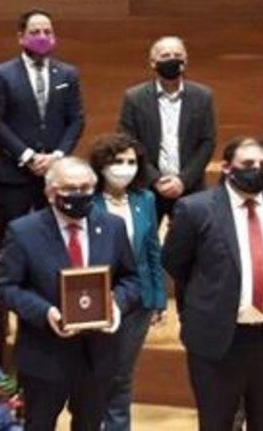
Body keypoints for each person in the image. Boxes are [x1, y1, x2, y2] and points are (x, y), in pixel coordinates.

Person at [161, 138, 263, 431]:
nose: (258, 170)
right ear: (227, 168)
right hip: (220, 339)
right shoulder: (195, 208)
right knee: (217, 423)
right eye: (248, 165)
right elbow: (175, 262)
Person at [0, 157, 141, 431]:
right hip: (45, 353)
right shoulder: (24, 231)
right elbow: (5, 287)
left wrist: (116, 305)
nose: (80, 195)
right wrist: (45, 312)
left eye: (86, 188)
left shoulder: (112, 226)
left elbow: (131, 280)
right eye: (71, 189)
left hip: (97, 354)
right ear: (51, 193)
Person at [87, 133, 167, 431]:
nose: (125, 167)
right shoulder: (89, 200)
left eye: (131, 161)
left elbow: (151, 250)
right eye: (117, 161)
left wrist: (159, 299)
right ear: (101, 166)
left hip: (139, 301)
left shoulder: (144, 199)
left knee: (122, 375)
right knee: (96, 373)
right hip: (97, 299)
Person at [0, 9, 86, 239]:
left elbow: (76, 120)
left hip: (56, 174)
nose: (42, 36)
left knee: (55, 237)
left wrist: (57, 156)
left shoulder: (67, 74)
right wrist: (29, 156)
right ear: (21, 37)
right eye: (35, 31)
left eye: (47, 32)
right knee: (11, 239)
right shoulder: (2, 74)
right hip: (15, 173)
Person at [118, 36, 217, 223]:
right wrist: (156, 179)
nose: (172, 58)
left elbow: (207, 142)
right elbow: (128, 142)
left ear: (185, 61)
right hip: (147, 187)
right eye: (165, 55)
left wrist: (183, 180)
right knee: (143, 245)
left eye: (177, 54)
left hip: (190, 187)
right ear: (153, 62)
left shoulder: (203, 96)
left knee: (192, 247)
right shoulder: (134, 97)